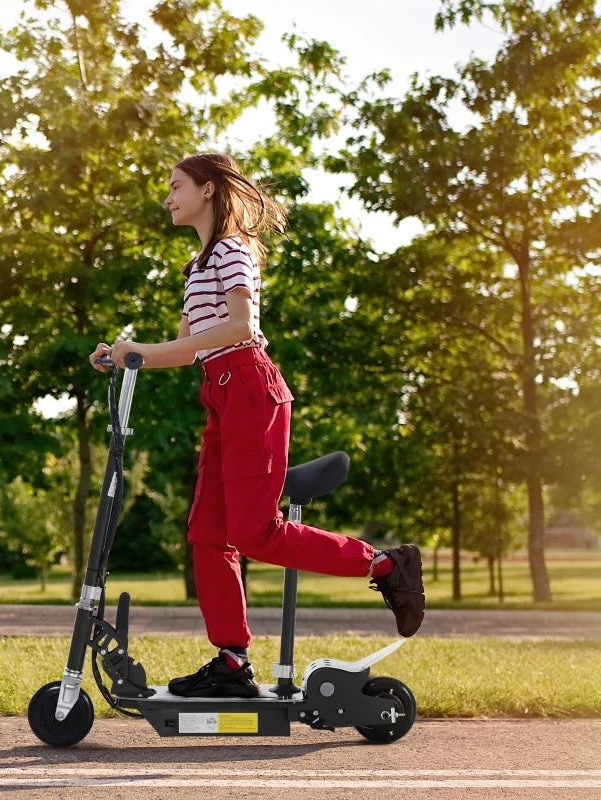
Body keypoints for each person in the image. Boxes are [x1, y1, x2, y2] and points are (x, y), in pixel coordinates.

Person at [90, 153, 424, 699]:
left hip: (248, 386)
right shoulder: (196, 266)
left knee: (253, 532)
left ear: (209, 190)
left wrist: (142, 350)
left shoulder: (232, 251)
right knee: (206, 534)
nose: (167, 197)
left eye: (176, 186)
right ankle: (231, 660)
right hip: (220, 392)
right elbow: (185, 348)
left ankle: (385, 563)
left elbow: (241, 325)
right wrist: (129, 356)